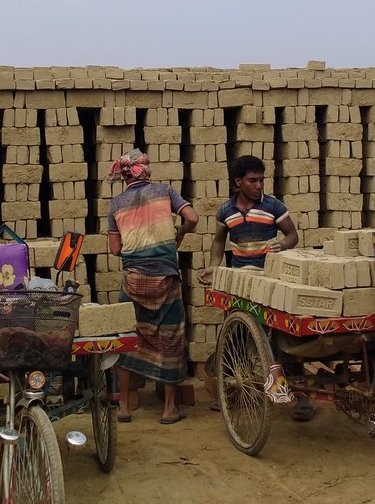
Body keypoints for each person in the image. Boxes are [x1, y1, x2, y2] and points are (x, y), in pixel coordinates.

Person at [198, 156, 306, 418]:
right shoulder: (226, 211)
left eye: (261, 180)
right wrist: (213, 266)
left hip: (269, 279)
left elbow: (292, 235)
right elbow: (219, 241)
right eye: (252, 180)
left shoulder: (273, 206)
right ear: (238, 182)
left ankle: (297, 396)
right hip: (239, 282)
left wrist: (283, 244)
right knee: (235, 337)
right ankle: (232, 392)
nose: (258, 185)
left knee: (281, 340)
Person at [106, 149, 199, 425]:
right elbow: (192, 218)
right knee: (170, 339)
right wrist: (180, 232)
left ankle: (124, 406)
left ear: (124, 176)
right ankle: (169, 409)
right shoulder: (165, 191)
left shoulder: (115, 204)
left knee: (128, 337)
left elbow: (115, 249)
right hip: (166, 279)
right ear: (147, 171)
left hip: (134, 281)